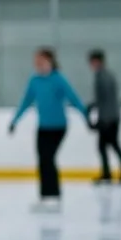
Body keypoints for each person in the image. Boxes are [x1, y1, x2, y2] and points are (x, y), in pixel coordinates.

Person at [10, 47, 91, 204]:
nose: (37, 64)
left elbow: (73, 98)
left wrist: (86, 116)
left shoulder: (58, 79)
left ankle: (54, 194)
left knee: (48, 158)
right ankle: (45, 195)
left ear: (50, 61)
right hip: (43, 127)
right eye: (36, 62)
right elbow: (26, 101)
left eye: (40, 61)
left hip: (59, 127)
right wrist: (15, 121)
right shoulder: (34, 80)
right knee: (43, 159)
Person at [86, 50, 121, 184]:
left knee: (107, 145)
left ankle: (114, 173)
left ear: (97, 61)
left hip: (108, 117)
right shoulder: (109, 75)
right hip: (113, 115)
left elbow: (102, 99)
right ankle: (120, 172)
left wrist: (96, 115)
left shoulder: (101, 77)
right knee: (111, 145)